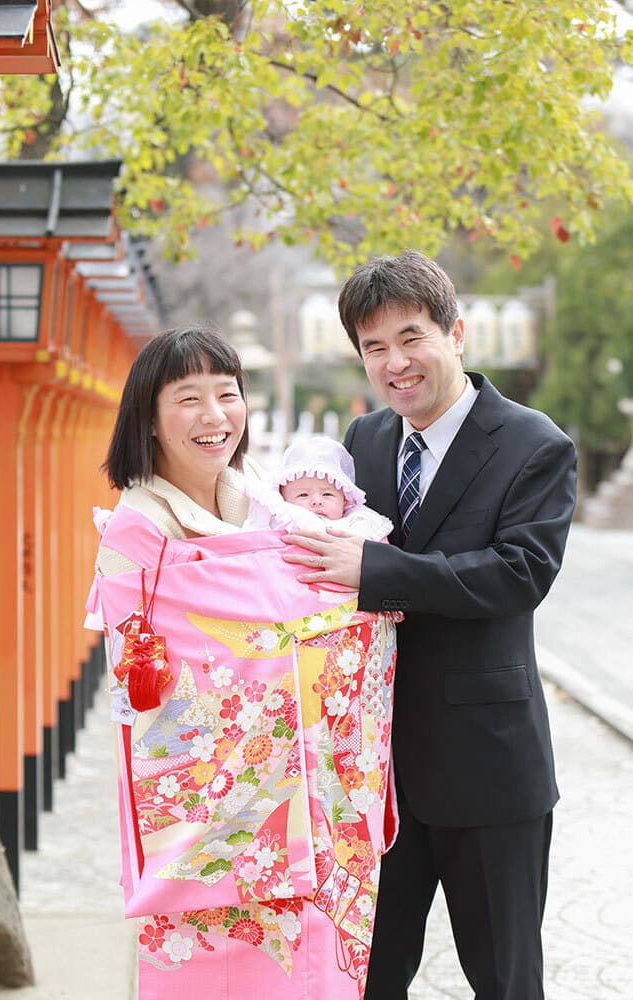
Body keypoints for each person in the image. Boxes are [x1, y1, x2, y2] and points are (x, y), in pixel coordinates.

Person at [281, 250, 577, 1000]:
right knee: (364, 980)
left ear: (456, 333)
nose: (395, 363)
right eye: (374, 347)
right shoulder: (364, 442)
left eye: (411, 337)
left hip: (489, 770)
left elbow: (520, 575)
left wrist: (374, 574)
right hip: (372, 776)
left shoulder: (534, 444)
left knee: (506, 982)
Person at [87, 324, 401, 1000]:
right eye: (189, 398)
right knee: (211, 966)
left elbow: (323, 610)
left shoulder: (264, 501)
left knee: (311, 965)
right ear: (148, 416)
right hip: (210, 803)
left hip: (311, 794)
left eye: (227, 395)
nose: (215, 416)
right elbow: (176, 670)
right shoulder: (136, 525)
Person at [242, 434, 393, 541]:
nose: (316, 501)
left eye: (327, 494)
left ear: (345, 501)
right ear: (283, 498)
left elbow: (380, 563)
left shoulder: (361, 524)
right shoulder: (283, 519)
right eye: (303, 495)